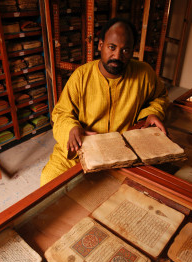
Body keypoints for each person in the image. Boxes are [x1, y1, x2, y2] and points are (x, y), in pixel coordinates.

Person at [40, 18, 169, 186]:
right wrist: (71, 128)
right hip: (81, 147)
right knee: (48, 181)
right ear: (100, 45)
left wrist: (153, 112)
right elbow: (60, 113)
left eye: (125, 50)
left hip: (122, 151)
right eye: (112, 47)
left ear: (132, 51)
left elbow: (161, 96)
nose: (117, 55)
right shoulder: (81, 76)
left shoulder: (144, 73)